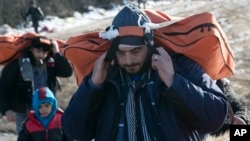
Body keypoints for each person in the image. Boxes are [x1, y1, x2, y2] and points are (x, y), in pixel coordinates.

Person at [62, 5, 228, 141]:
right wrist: (93, 86)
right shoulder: (105, 78)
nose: (128, 60)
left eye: (135, 51)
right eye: (121, 53)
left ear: (150, 45)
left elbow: (216, 118)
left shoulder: (180, 66)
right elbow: (75, 132)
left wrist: (173, 81)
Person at [0, 36, 73, 134]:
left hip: (47, 109)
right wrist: (6, 110)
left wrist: (56, 52)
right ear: (31, 49)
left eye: (44, 52)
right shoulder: (17, 65)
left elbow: (67, 72)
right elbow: (3, 88)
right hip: (24, 111)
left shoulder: (50, 64)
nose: (41, 54)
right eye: (38, 51)